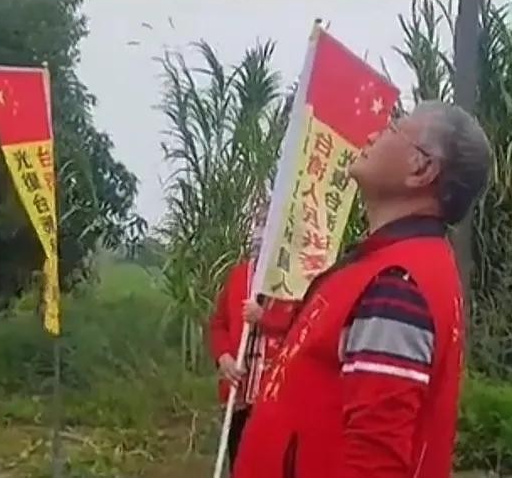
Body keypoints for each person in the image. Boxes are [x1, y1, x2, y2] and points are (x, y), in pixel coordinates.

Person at [232, 100, 492, 478]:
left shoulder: (397, 285)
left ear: (421, 169)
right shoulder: (386, 263)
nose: (372, 135)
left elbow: (374, 461)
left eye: (392, 128)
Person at [207, 207, 300, 474]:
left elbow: (304, 330)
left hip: (277, 400)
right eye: (258, 224)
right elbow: (218, 324)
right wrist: (223, 357)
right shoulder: (239, 276)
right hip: (239, 395)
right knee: (239, 463)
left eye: (268, 225)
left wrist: (265, 318)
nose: (260, 233)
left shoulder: (296, 283)